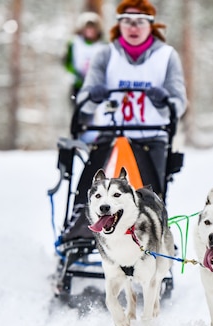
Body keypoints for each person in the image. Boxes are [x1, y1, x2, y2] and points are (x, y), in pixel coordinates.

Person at [61, 0, 187, 242]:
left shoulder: (166, 56)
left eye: (140, 22)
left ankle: (151, 233)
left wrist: (165, 100)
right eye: (127, 21)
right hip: (110, 132)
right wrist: (93, 95)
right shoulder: (105, 55)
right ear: (119, 24)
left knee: (150, 195)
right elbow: (84, 102)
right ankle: (80, 225)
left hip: (151, 136)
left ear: (151, 25)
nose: (133, 27)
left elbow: (178, 103)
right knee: (92, 184)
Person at [63, 12, 105, 104]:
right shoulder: (74, 44)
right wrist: (75, 75)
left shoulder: (103, 46)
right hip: (78, 85)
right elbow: (67, 62)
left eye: (93, 28)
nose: (90, 31)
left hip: (96, 86)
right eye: (88, 28)